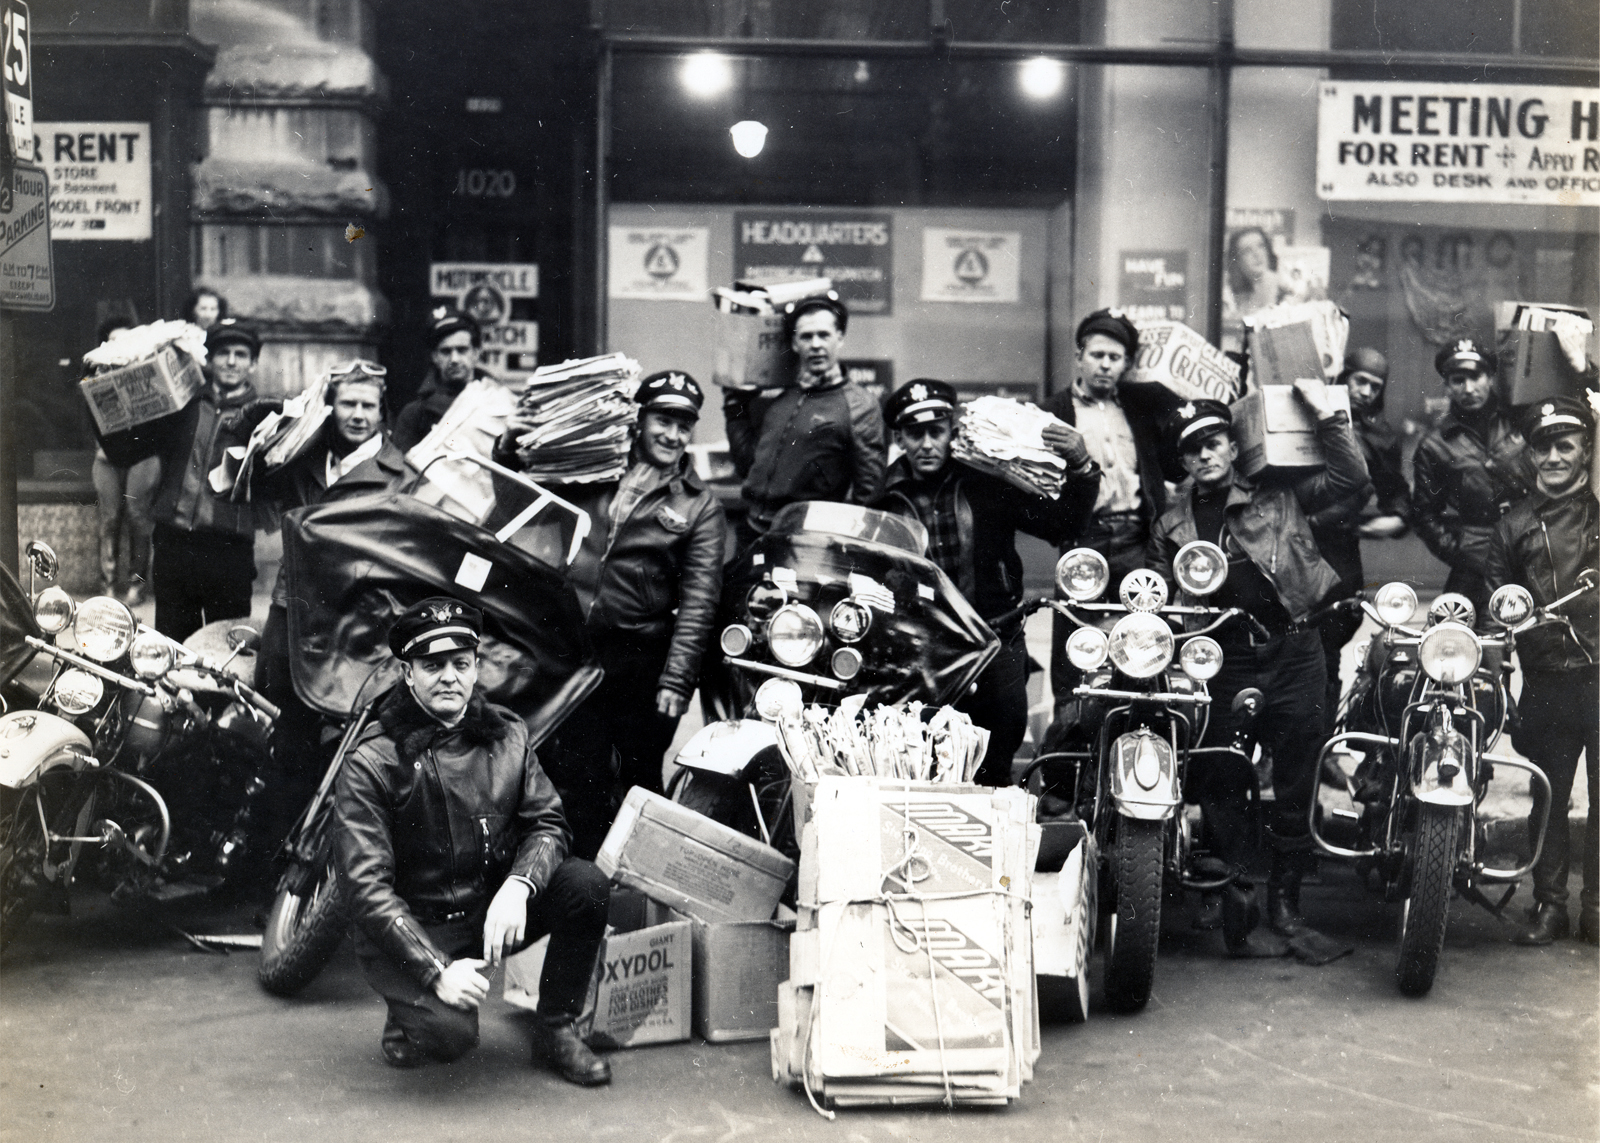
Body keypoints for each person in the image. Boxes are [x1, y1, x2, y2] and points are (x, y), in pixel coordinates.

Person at [335, 597, 613, 1083]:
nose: (449, 677)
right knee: (450, 1040)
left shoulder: (508, 735)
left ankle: (555, 1028)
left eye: (461, 664)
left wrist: (520, 886)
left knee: (585, 884)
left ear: (477, 666)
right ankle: (409, 1016)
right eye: (432, 665)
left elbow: (549, 823)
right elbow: (365, 888)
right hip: (417, 923)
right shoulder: (373, 760)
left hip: (488, 910)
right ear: (407, 672)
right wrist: (435, 970)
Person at [1146, 386, 1368, 958]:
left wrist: (1329, 417)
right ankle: (1231, 893)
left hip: (1295, 650)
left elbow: (1350, 480)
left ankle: (1287, 906)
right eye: (1190, 450)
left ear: (1232, 445)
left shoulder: (1280, 493)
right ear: (1183, 461)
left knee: (1296, 778)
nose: (1204, 456)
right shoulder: (1171, 522)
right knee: (1222, 775)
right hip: (1223, 659)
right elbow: (1159, 598)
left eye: (1213, 442)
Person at [496, 371, 725, 857]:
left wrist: (676, 682)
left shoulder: (698, 504)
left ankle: (642, 891)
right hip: (571, 644)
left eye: (684, 426)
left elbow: (700, 602)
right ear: (639, 420)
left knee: (640, 775)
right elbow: (520, 485)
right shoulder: (595, 467)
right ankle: (583, 884)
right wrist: (512, 440)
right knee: (575, 770)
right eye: (663, 420)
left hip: (639, 660)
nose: (672, 435)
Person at [876, 379, 1100, 786]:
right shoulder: (882, 496)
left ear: (952, 432)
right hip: (922, 642)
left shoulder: (989, 479)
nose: (926, 444)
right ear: (899, 438)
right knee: (921, 749)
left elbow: (1062, 524)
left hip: (995, 631)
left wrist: (1083, 469)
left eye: (936, 431)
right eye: (914, 433)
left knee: (1002, 736)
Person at [252, 361, 407, 853]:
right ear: (331, 408)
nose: (357, 415)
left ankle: (320, 862)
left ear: (382, 412)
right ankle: (270, 861)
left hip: (354, 622)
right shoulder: (300, 455)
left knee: (342, 744)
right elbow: (255, 480)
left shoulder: (398, 475)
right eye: (348, 404)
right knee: (283, 731)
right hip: (293, 608)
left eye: (368, 406)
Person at [1485, 397, 1599, 947]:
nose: (1553, 457)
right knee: (1549, 795)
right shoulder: (1513, 526)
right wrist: (1499, 678)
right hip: (1548, 676)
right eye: (1542, 447)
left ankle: (1596, 908)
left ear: (1586, 451)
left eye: (1565, 445)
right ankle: (1549, 905)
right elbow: (1495, 607)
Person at [95, 320, 268, 641]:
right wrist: (102, 396)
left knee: (225, 655)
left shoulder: (265, 417)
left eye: (241, 354)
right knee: (171, 651)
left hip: (229, 551)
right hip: (175, 546)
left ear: (253, 363)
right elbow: (125, 451)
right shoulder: (182, 406)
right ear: (209, 359)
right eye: (222, 353)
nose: (231, 361)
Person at [1041, 308, 1171, 725]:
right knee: (1076, 649)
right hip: (1085, 543)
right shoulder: (1053, 410)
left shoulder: (1140, 409)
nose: (1105, 365)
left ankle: (1134, 739)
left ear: (1127, 365)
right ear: (1079, 356)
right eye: (1097, 354)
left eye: (1115, 358)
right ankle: (1069, 765)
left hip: (1137, 539)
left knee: (1143, 644)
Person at [724, 297, 886, 545]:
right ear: (794, 344)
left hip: (807, 542)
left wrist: (836, 543)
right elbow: (748, 465)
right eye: (806, 337)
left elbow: (869, 493)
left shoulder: (860, 405)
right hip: (752, 532)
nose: (816, 345)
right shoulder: (779, 399)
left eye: (824, 335)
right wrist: (734, 408)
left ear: (840, 338)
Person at [1308, 347, 1411, 724]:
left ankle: (1320, 745)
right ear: (1343, 377)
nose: (1366, 392)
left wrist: (1396, 518)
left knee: (1330, 647)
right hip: (1296, 541)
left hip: (1338, 548)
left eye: (1375, 386)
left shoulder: (1379, 437)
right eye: (1360, 381)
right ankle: (1278, 752)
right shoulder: (1306, 418)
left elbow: (1396, 490)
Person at [1411, 338, 1535, 615]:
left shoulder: (1523, 421)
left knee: (1541, 639)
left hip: (1530, 549)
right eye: (1458, 380)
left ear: (1490, 377)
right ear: (1447, 386)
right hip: (1475, 559)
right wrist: (1461, 552)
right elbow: (1424, 515)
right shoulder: (1435, 444)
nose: (1468, 388)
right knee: (1458, 636)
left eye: (1476, 376)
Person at [86, 315, 161, 605]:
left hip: (143, 457)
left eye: (127, 341)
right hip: (107, 459)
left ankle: (136, 586)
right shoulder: (94, 377)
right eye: (114, 341)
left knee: (138, 516)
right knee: (109, 519)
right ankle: (107, 586)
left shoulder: (148, 376)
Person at [392, 308, 498, 452]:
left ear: (476, 353)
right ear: (434, 357)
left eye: (462, 350)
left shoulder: (497, 401)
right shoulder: (415, 414)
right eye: (446, 351)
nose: (454, 359)